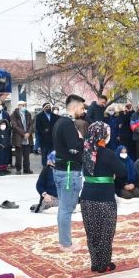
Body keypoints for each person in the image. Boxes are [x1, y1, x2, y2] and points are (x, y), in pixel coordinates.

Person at [80, 122, 126, 273]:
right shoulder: (107, 153)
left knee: (92, 232)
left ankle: (95, 263)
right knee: (106, 232)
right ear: (103, 135)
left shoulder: (85, 152)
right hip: (105, 197)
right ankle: (104, 264)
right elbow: (122, 172)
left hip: (86, 197)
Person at [53, 94, 86, 252]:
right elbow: (74, 148)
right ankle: (66, 244)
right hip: (68, 171)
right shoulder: (67, 124)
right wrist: (81, 139)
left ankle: (63, 241)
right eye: (81, 107)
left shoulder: (60, 121)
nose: (83, 110)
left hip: (61, 169)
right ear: (74, 107)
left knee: (63, 208)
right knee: (66, 209)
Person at [11, 101, 33, 174]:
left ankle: (27, 169)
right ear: (19, 106)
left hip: (27, 138)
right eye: (22, 105)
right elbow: (14, 126)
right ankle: (18, 169)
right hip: (18, 137)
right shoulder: (14, 114)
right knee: (18, 155)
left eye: (25, 105)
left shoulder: (28, 114)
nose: (24, 107)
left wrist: (28, 133)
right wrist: (24, 133)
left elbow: (31, 125)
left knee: (27, 155)